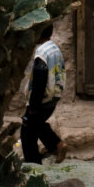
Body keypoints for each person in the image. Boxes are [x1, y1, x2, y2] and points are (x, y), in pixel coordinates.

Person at [21, 24, 67, 165]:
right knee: (37, 125)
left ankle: (34, 163)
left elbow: (40, 80)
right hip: (54, 96)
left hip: (43, 98)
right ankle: (55, 146)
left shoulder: (42, 52)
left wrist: (34, 104)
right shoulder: (54, 48)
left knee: (27, 129)